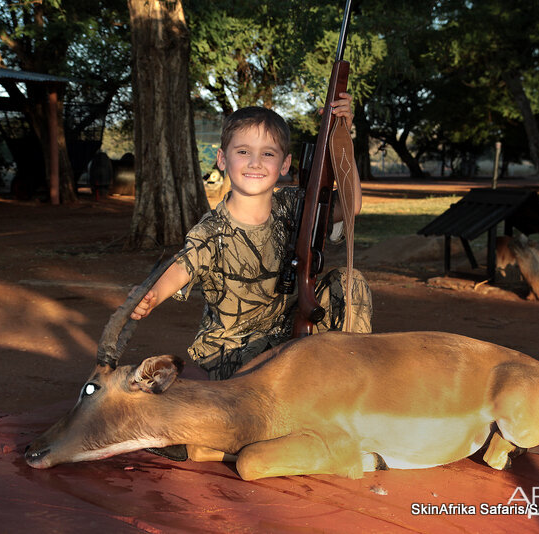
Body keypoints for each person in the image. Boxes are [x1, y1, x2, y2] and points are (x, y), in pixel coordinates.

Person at [132, 93, 373, 380]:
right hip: (232, 351)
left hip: (288, 339)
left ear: (285, 164)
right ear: (222, 159)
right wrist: (152, 295)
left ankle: (351, 385)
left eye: (268, 153)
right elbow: (182, 267)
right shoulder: (211, 230)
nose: (255, 162)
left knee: (350, 282)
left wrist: (342, 136)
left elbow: (351, 204)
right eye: (243, 152)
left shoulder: (294, 205)